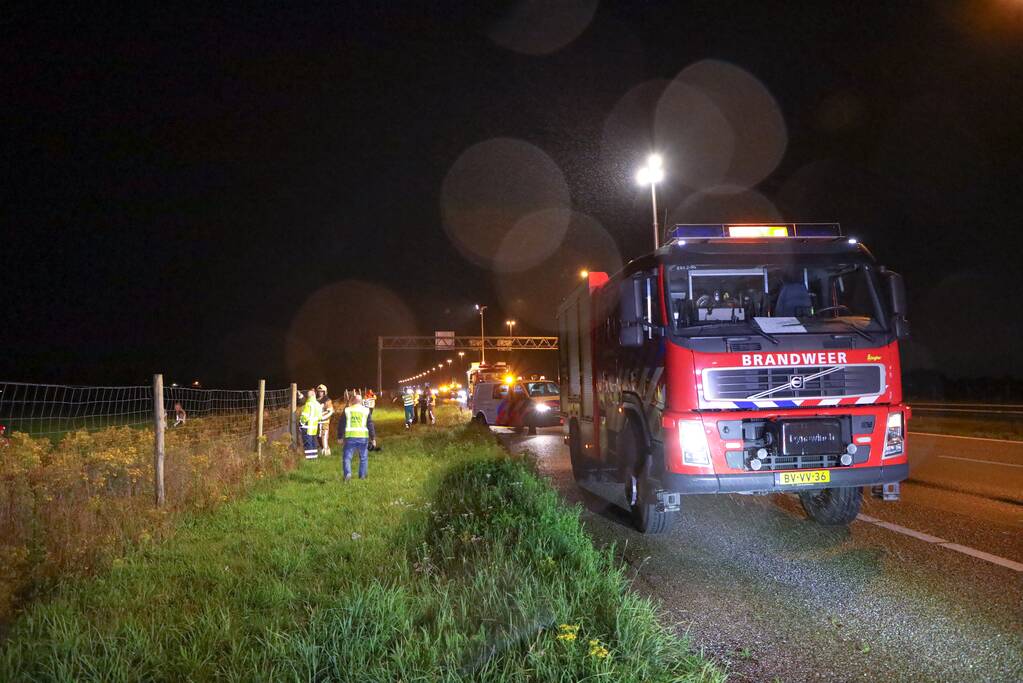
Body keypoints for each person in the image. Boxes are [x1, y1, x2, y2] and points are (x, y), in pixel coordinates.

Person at [338, 392, 375, 481]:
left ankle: (348, 473)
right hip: (363, 438)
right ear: (361, 401)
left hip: (350, 437)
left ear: (353, 401)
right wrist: (373, 438)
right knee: (363, 458)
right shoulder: (366, 410)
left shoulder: (347, 410)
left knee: (347, 457)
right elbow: (370, 425)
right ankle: (362, 476)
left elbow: (341, 424)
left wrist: (339, 437)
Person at [298, 388, 322, 459]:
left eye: (308, 395)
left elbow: (304, 416)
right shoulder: (318, 404)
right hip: (314, 427)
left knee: (307, 444)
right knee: (313, 443)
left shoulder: (308, 404)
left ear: (309, 396)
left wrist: (300, 423)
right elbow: (320, 417)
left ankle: (309, 459)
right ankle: (314, 457)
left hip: (307, 427)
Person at [315, 384, 335, 457]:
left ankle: (326, 454)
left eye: (321, 391)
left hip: (324, 422)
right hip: (317, 422)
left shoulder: (327, 400)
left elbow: (330, 411)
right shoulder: (316, 400)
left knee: (324, 436)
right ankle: (322, 451)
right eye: (319, 391)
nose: (320, 393)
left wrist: (323, 417)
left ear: (325, 392)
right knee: (319, 437)